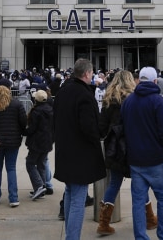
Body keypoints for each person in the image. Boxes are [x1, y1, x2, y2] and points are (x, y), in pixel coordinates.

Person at [97, 70, 157, 236]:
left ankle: (104, 222)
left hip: (114, 147)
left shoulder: (108, 100)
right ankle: (150, 218)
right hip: (132, 145)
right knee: (139, 183)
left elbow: (101, 128)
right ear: (131, 81)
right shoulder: (134, 99)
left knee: (114, 182)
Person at [53, 58, 105, 240]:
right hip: (79, 154)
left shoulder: (63, 91)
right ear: (87, 73)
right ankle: (72, 237)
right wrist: (99, 134)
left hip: (65, 151)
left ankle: (70, 234)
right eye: (91, 73)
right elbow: (89, 127)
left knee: (70, 192)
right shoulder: (83, 95)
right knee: (78, 198)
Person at [121, 67, 163, 240]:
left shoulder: (128, 101)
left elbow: (123, 128)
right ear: (155, 81)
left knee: (138, 202)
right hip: (157, 158)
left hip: (136, 159)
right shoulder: (158, 101)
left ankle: (141, 236)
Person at [0, 84, 27, 207]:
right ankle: (13, 198)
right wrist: (20, 132)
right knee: (11, 168)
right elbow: (23, 121)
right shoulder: (17, 104)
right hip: (13, 140)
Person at [26, 89, 54, 201]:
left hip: (37, 142)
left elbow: (32, 128)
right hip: (47, 141)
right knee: (41, 163)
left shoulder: (36, 111)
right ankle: (41, 187)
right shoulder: (51, 110)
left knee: (30, 163)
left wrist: (24, 131)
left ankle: (39, 186)